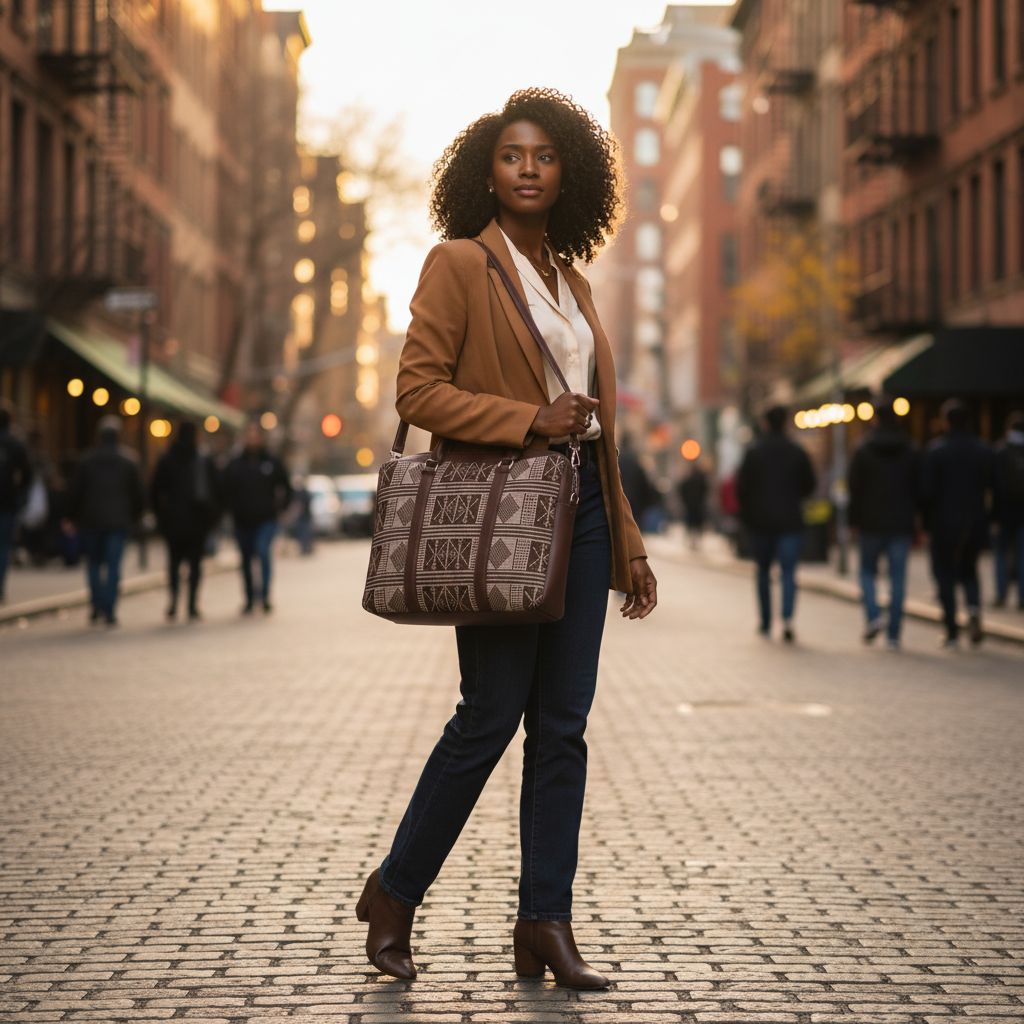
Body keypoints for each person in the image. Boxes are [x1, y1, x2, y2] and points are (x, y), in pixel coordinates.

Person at [356, 88, 658, 990]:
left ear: (571, 171)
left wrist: (631, 540)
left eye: (544, 156)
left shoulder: (576, 282)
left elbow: (601, 429)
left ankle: (544, 922)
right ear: (485, 172)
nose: (528, 170)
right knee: (489, 718)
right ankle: (394, 893)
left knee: (562, 729)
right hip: (499, 517)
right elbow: (418, 392)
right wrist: (530, 419)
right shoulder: (458, 264)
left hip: (586, 517)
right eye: (510, 156)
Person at [737, 405, 816, 643]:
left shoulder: (754, 452)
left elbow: (742, 488)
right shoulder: (797, 451)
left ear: (766, 424)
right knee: (789, 572)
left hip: (760, 523)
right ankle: (788, 619)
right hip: (790, 522)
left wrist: (749, 513)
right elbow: (809, 485)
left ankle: (765, 620)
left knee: (762, 571)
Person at [921, 399, 993, 648]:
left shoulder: (937, 451)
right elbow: (993, 486)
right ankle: (973, 609)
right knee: (970, 570)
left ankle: (951, 629)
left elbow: (927, 492)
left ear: (946, 422)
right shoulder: (983, 450)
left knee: (945, 575)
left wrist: (925, 523)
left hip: (944, 523)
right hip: (975, 520)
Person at [848, 401, 920, 649]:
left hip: (870, 522)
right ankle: (894, 634)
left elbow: (854, 489)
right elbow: (919, 488)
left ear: (875, 419)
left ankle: (873, 616)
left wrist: (852, 521)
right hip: (900, 522)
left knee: (867, 572)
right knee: (897, 578)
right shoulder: (910, 449)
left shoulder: (863, 450)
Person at [66, 415, 144, 626]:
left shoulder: (87, 460)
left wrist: (71, 516)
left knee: (93, 564)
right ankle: (108, 608)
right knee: (113, 566)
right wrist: (135, 517)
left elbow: (76, 492)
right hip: (118, 522)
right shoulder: (129, 460)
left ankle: (96, 604)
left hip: (91, 520)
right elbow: (138, 495)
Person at [150, 420, 220, 622]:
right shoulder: (203, 460)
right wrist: (212, 518)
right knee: (195, 565)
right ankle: (191, 604)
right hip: (197, 522)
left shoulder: (167, 459)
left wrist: (160, 517)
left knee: (174, 564)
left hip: (174, 522)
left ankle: (174, 601)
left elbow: (155, 491)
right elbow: (215, 491)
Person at [220, 421, 292, 614]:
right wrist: (230, 510)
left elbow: (286, 486)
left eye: (255, 435)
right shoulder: (235, 463)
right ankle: (249, 598)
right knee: (245, 559)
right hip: (242, 521)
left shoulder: (271, 461)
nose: (252, 439)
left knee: (262, 552)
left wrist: (281, 509)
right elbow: (224, 489)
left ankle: (265, 596)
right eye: (248, 435)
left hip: (266, 519)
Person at [992, 411, 1024, 610]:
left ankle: (1001, 594)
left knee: (1001, 555)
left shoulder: (1001, 451)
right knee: (1022, 556)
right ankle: (1022, 597)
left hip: (1004, 512)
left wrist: (993, 515)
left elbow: (996, 486)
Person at [0, 405, 33, 602]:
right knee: (3, 546)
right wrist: (20, 494)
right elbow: (27, 474)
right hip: (7, 502)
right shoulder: (16, 444)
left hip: (8, 502)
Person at [678, 461, 709, 551]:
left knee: (690, 522)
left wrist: (685, 500)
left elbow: (682, 490)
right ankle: (697, 539)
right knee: (698, 523)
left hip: (690, 505)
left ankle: (691, 539)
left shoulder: (687, 480)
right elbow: (705, 491)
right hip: (698, 505)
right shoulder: (702, 480)